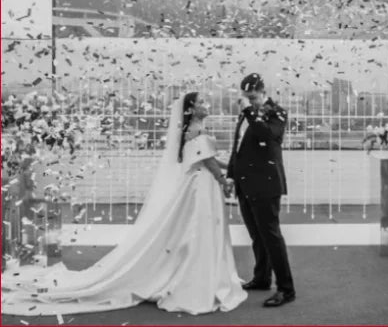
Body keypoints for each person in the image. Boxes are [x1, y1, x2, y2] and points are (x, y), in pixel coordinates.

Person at [2, 92, 247, 316]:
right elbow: (209, 162)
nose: (207, 105)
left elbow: (207, 158)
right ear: (192, 108)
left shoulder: (192, 129)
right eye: (202, 102)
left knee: (193, 230)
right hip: (202, 185)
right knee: (199, 230)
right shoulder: (197, 130)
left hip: (198, 182)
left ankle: (196, 273)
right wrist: (224, 180)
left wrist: (230, 168)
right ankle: (198, 278)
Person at [226, 73, 296, 307]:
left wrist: (250, 111)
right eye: (246, 98)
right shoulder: (247, 115)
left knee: (271, 236)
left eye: (253, 97)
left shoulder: (277, 112)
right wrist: (230, 176)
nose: (250, 101)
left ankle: (286, 289)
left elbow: (269, 135)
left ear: (263, 91)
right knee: (257, 236)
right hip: (244, 184)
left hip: (266, 184)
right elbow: (238, 147)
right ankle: (262, 278)